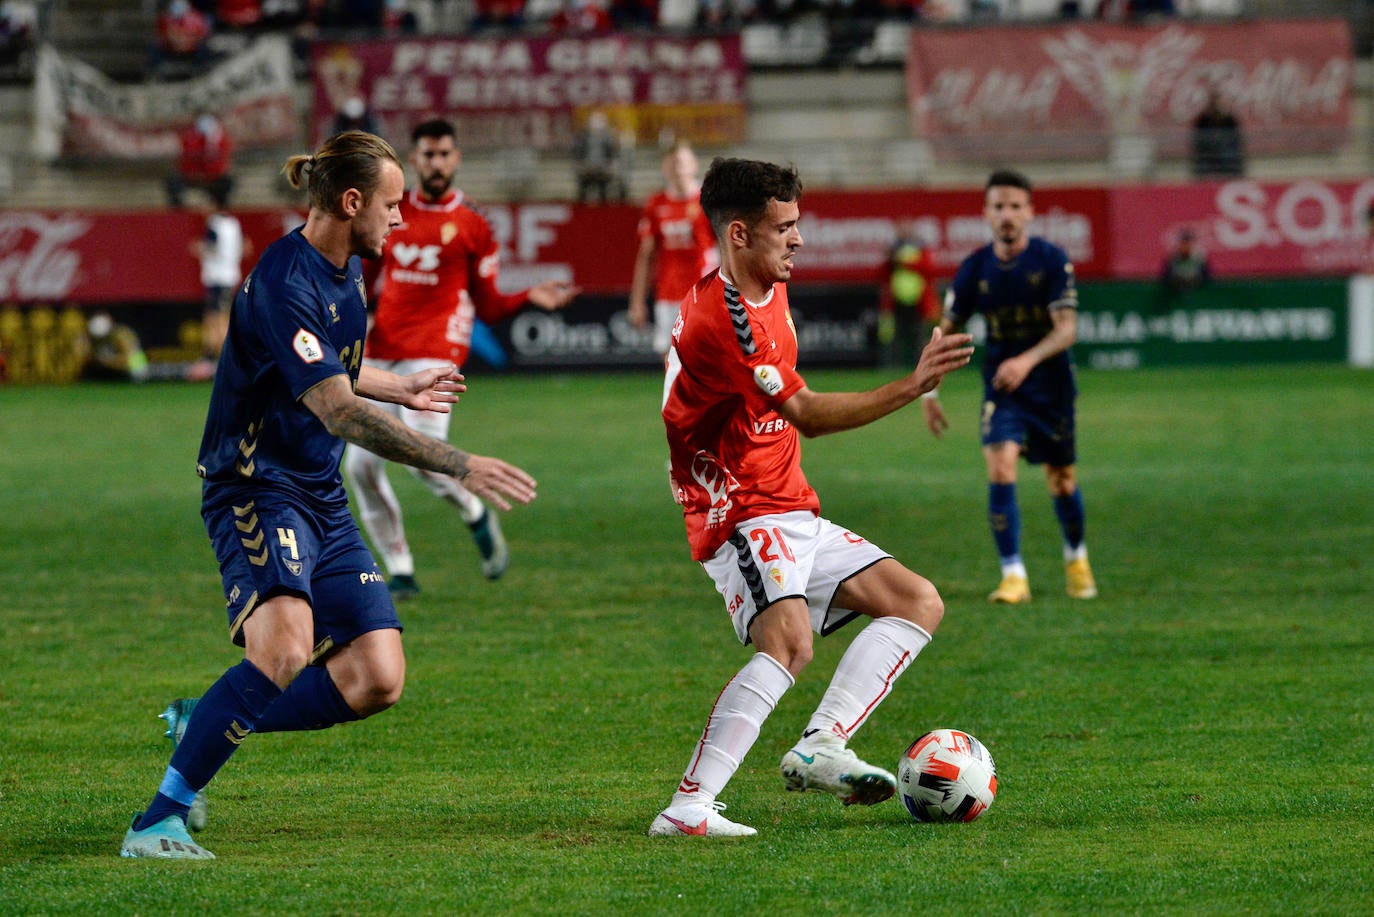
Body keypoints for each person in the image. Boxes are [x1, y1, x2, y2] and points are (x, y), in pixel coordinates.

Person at [119, 130, 539, 860]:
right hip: (257, 487)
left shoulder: (345, 270)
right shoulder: (287, 280)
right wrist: (458, 462)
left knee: (378, 676)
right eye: (391, 205)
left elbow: (336, 368)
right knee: (281, 648)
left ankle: (203, 719)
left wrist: (400, 384)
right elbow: (339, 410)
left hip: (319, 494)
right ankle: (158, 817)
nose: (399, 221)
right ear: (352, 202)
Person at [648, 158, 975, 838]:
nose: (798, 240)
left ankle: (822, 743)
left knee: (917, 600)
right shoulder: (727, 319)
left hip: (788, 500)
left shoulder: (766, 283)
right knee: (790, 643)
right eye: (784, 228)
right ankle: (688, 806)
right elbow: (810, 413)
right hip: (737, 506)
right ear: (740, 234)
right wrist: (910, 387)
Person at [344, 118, 578, 596]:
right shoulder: (393, 211)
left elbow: (488, 305)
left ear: (456, 159)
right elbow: (366, 278)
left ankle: (475, 513)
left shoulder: (473, 223)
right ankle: (401, 569)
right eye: (428, 154)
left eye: (444, 154)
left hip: (436, 352)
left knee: (421, 460)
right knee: (360, 468)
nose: (436, 163)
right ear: (415, 159)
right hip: (383, 347)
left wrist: (531, 295)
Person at [921, 169, 1096, 605]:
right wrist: (929, 391)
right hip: (1003, 389)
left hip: (1051, 386)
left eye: (1015, 206)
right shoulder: (974, 269)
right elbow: (946, 331)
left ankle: (1076, 558)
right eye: (998, 206)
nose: (1007, 215)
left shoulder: (1052, 261)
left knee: (1062, 480)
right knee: (1000, 467)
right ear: (986, 213)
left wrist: (1028, 359)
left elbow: (1067, 329)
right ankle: (1013, 574)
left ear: (1030, 212)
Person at [628, 142, 717, 356]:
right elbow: (646, 255)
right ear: (665, 168)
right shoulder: (656, 204)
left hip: (703, 291)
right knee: (671, 357)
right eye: (673, 163)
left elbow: (728, 248)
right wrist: (637, 301)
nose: (678, 169)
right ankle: (674, 391)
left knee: (705, 355)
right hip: (668, 292)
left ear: (694, 165)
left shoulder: (709, 202)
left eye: (682, 162)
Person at [186, 185, 250, 382]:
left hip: (218, 278)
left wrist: (199, 248)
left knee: (217, 322)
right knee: (218, 320)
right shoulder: (233, 224)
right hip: (230, 276)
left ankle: (225, 365)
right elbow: (246, 248)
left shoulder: (214, 224)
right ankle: (217, 362)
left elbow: (211, 248)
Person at [881, 221, 940, 368]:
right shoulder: (893, 250)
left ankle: (922, 365)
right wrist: (891, 259)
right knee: (895, 336)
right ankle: (893, 365)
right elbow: (882, 274)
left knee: (919, 336)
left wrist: (904, 263)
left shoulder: (920, 249)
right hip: (896, 301)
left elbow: (929, 269)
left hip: (918, 301)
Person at [166, 112, 234, 210]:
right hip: (190, 176)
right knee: (173, 182)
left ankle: (221, 210)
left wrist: (211, 144)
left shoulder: (222, 139)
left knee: (226, 183)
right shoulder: (189, 136)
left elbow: (221, 163)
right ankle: (178, 212)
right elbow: (185, 157)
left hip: (213, 177)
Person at [572, 109, 623, 204]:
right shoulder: (583, 136)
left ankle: (603, 207)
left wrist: (612, 166)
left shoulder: (608, 137)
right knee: (582, 185)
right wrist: (580, 165)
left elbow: (613, 153)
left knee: (604, 185)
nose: (597, 124)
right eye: (594, 121)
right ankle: (581, 209)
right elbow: (578, 153)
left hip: (603, 169)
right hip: (587, 168)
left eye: (599, 121)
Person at [81, 311, 149, 382]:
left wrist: (106, 362)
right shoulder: (93, 339)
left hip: (134, 370)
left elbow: (129, 361)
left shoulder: (121, 335)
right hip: (111, 371)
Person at [1191, 89, 1244, 178]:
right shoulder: (1203, 120)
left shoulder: (1229, 119)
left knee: (1229, 156)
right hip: (1208, 153)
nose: (1215, 104)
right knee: (1204, 163)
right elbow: (1197, 140)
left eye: (1217, 101)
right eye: (1213, 101)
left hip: (1225, 153)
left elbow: (1236, 138)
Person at [1159, 227, 1211, 295]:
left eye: (1188, 241)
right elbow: (1166, 275)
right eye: (1184, 241)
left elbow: (1206, 275)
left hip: (1195, 283)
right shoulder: (1173, 255)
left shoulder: (1199, 255)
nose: (1186, 245)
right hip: (1176, 285)